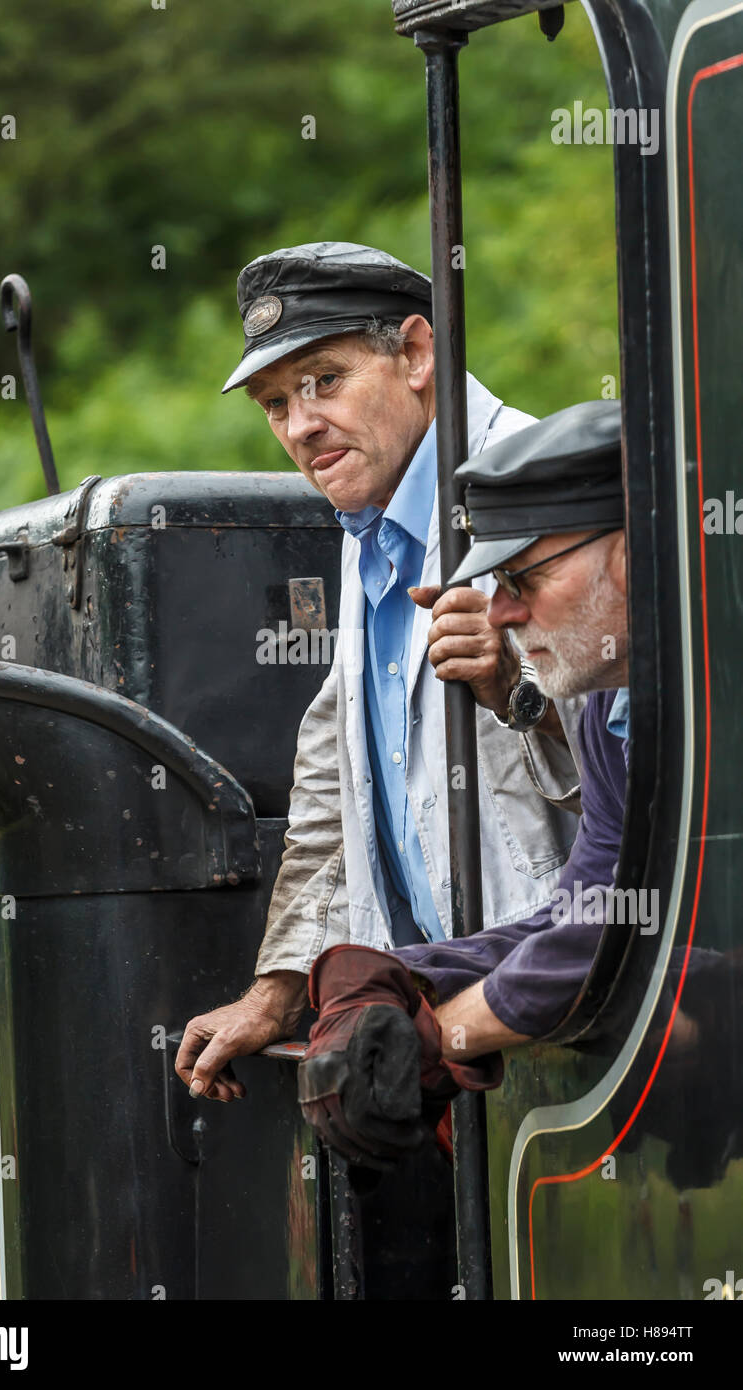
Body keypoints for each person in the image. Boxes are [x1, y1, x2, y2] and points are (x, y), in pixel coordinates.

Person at [176, 241, 585, 1104]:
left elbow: (670, 773)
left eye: (324, 379)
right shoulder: (373, 522)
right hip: (439, 1043)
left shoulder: (548, 496)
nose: (300, 425)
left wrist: (518, 692)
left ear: (416, 353)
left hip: (562, 1037)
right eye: (276, 403)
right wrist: (278, 993)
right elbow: (338, 792)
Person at [296, 397, 642, 1164]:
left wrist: (442, 1033)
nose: (505, 612)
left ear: (629, 556)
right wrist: (398, 974)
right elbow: (585, 900)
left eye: (526, 577)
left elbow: (631, 928)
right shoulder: (606, 702)